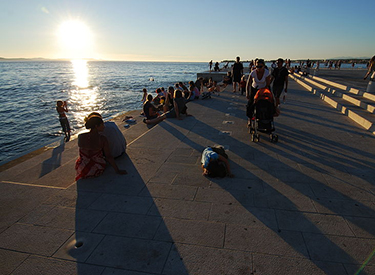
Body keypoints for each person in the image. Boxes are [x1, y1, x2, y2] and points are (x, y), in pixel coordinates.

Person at [75, 116, 127, 181]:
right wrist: (117, 170)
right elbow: (109, 156)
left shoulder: (81, 136)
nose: (104, 126)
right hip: (96, 168)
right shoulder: (102, 139)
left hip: (82, 168)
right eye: (102, 124)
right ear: (96, 126)